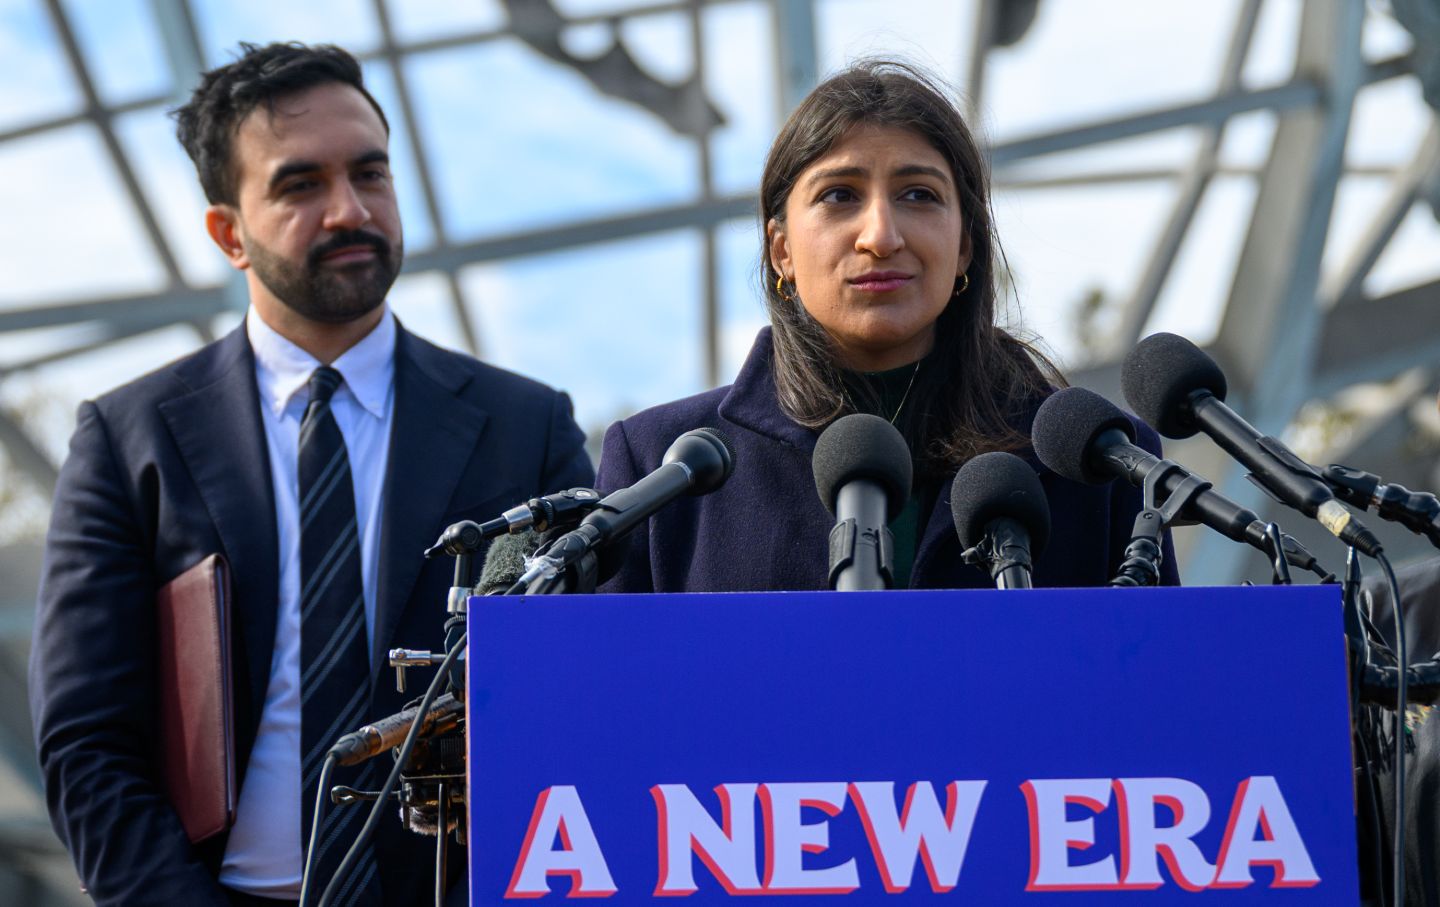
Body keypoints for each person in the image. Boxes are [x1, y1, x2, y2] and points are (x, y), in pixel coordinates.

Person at [28, 42, 592, 906]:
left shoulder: (527, 427)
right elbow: (86, 737)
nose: (349, 210)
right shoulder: (128, 440)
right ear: (229, 233)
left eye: (371, 175)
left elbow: (573, 695)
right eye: (300, 185)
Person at [596, 60, 1177, 592]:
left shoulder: (1104, 465)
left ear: (965, 247)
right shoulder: (658, 466)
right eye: (840, 195)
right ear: (781, 252)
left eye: (919, 195)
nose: (880, 236)